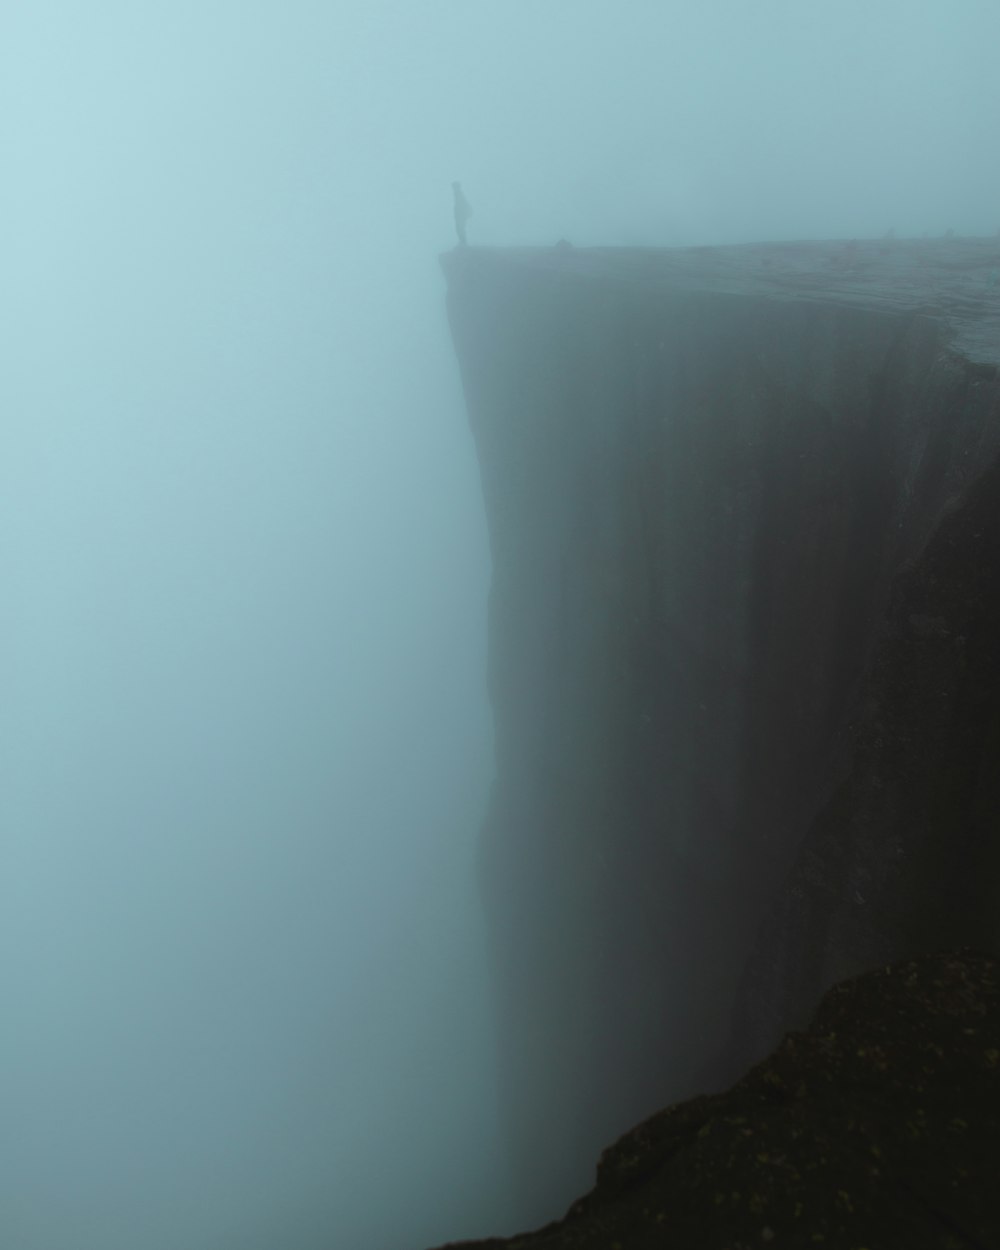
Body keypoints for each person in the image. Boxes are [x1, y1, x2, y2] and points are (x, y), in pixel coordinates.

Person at [452, 181, 472, 246]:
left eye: (454, 186)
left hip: (460, 215)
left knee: (460, 228)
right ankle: (462, 242)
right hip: (460, 215)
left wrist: (461, 214)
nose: (453, 188)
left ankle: (463, 242)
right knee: (459, 228)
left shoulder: (459, 194)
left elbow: (461, 205)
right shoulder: (458, 194)